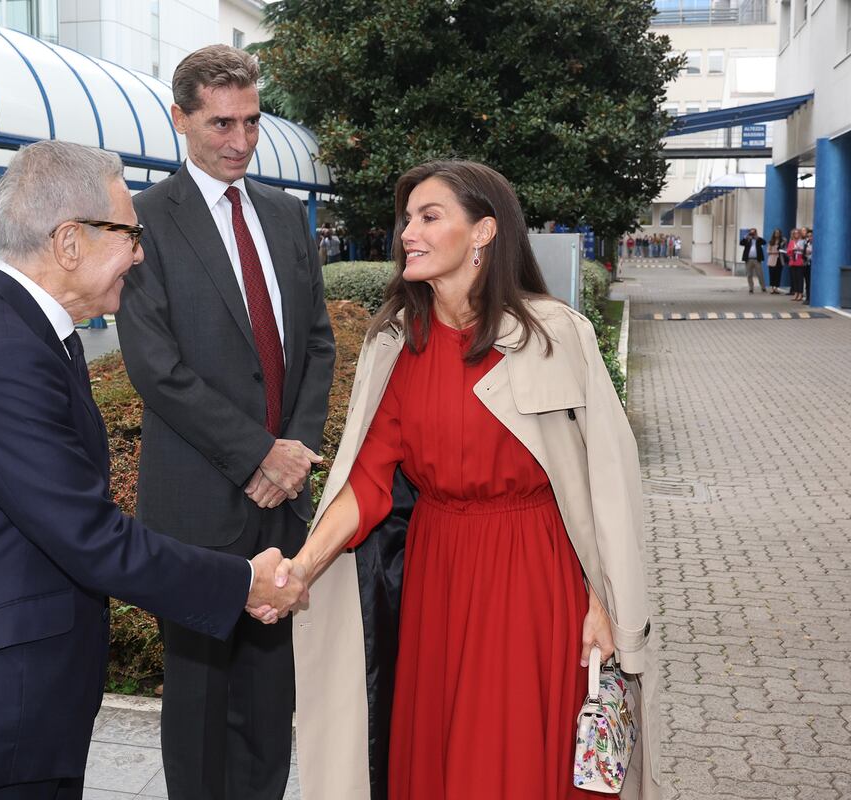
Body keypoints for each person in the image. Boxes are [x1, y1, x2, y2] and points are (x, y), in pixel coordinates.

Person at [0, 140, 306, 800]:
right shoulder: (1, 354)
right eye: (130, 233)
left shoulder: (25, 331)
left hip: (21, 689)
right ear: (69, 242)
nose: (139, 252)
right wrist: (243, 582)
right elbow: (90, 537)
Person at [286, 160, 660, 799]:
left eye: (429, 217)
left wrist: (608, 603)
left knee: (512, 755)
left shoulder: (555, 336)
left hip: (535, 577)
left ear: (484, 232)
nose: (409, 231)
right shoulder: (397, 345)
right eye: (407, 219)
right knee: (440, 753)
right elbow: (368, 482)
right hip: (439, 576)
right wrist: (301, 568)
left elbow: (609, 486)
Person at [115, 45, 336, 800]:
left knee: (272, 700)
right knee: (202, 705)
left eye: (251, 120)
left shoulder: (282, 213)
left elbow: (316, 342)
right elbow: (156, 367)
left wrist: (296, 455)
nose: (240, 141)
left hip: (285, 504)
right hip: (199, 503)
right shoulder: (141, 221)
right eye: (219, 124)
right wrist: (256, 456)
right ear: (180, 119)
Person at [740, 228, 767, 293]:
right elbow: (741, 243)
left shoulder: (758, 240)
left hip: (757, 260)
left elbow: (764, 242)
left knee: (760, 274)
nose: (752, 234)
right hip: (748, 259)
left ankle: (763, 287)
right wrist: (746, 237)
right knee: (749, 275)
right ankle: (751, 288)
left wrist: (757, 238)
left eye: (753, 233)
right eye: (751, 233)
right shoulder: (747, 239)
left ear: (756, 233)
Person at [787, 228, 805, 301]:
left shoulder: (802, 241)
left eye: (797, 233)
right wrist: (792, 250)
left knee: (799, 279)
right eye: (795, 233)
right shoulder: (791, 242)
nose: (796, 234)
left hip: (800, 261)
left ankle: (800, 293)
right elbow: (788, 251)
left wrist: (800, 249)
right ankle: (796, 293)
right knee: (794, 279)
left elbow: (804, 250)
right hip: (793, 261)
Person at [767, 228, 784, 293]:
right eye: (776, 233)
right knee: (772, 274)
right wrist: (775, 252)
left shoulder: (782, 241)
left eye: (778, 233)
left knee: (778, 274)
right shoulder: (771, 241)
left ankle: (776, 287)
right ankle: (772, 288)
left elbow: (785, 249)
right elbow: (768, 251)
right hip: (772, 260)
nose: (777, 234)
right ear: (774, 234)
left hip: (780, 259)